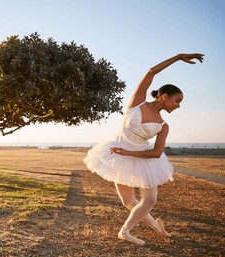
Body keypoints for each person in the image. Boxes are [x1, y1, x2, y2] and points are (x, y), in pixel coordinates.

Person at [83, 53, 204, 245]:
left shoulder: (163, 125)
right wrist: (179, 57)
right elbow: (151, 71)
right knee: (128, 202)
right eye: (177, 100)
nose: (178, 105)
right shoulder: (137, 102)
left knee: (149, 201)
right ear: (164, 97)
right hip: (118, 153)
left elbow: (156, 153)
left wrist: (129, 153)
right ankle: (156, 225)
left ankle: (125, 231)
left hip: (143, 158)